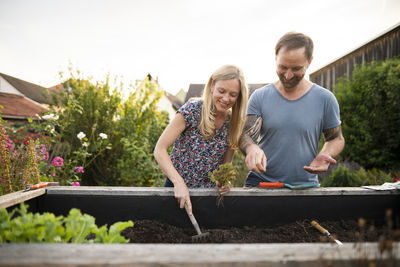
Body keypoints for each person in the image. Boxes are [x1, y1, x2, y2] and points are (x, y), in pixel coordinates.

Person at [239, 32, 345, 187]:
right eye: (283, 67)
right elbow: (245, 136)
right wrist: (251, 148)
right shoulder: (260, 97)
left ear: (309, 62)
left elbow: (336, 138)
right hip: (261, 185)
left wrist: (325, 154)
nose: (288, 75)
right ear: (275, 59)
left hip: (304, 187)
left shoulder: (325, 99)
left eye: (296, 68)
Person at [154, 64, 248, 214]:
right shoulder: (192, 110)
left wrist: (224, 182)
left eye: (233, 94)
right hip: (177, 191)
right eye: (221, 91)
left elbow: (226, 164)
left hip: (208, 196)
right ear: (212, 85)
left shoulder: (233, 123)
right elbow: (159, 150)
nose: (226, 99)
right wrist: (178, 183)